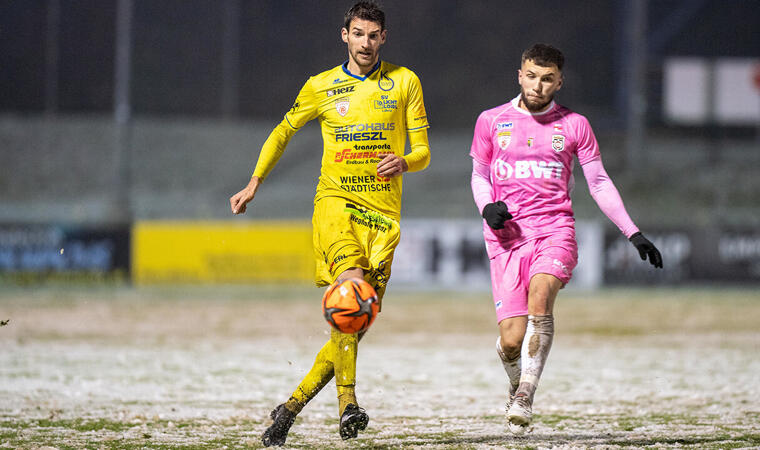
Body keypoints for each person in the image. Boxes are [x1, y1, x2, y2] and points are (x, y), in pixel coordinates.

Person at [229, 2, 430, 446]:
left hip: (382, 219)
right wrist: (254, 181)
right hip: (336, 207)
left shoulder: (404, 82)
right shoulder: (321, 86)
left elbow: (423, 152)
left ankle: (289, 409)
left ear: (384, 38)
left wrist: (405, 161)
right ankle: (348, 406)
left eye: (374, 35)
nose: (366, 43)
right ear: (345, 35)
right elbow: (283, 131)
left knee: (353, 322)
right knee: (352, 292)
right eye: (358, 33)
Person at [469, 43, 662, 435]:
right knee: (511, 341)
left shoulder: (575, 125)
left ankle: (525, 394)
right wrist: (487, 207)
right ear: (520, 75)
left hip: (555, 229)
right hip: (506, 239)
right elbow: (479, 175)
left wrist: (633, 231)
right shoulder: (491, 121)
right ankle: (514, 381)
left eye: (547, 79)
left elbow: (599, 182)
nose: (538, 85)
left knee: (542, 295)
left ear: (559, 81)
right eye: (532, 76)